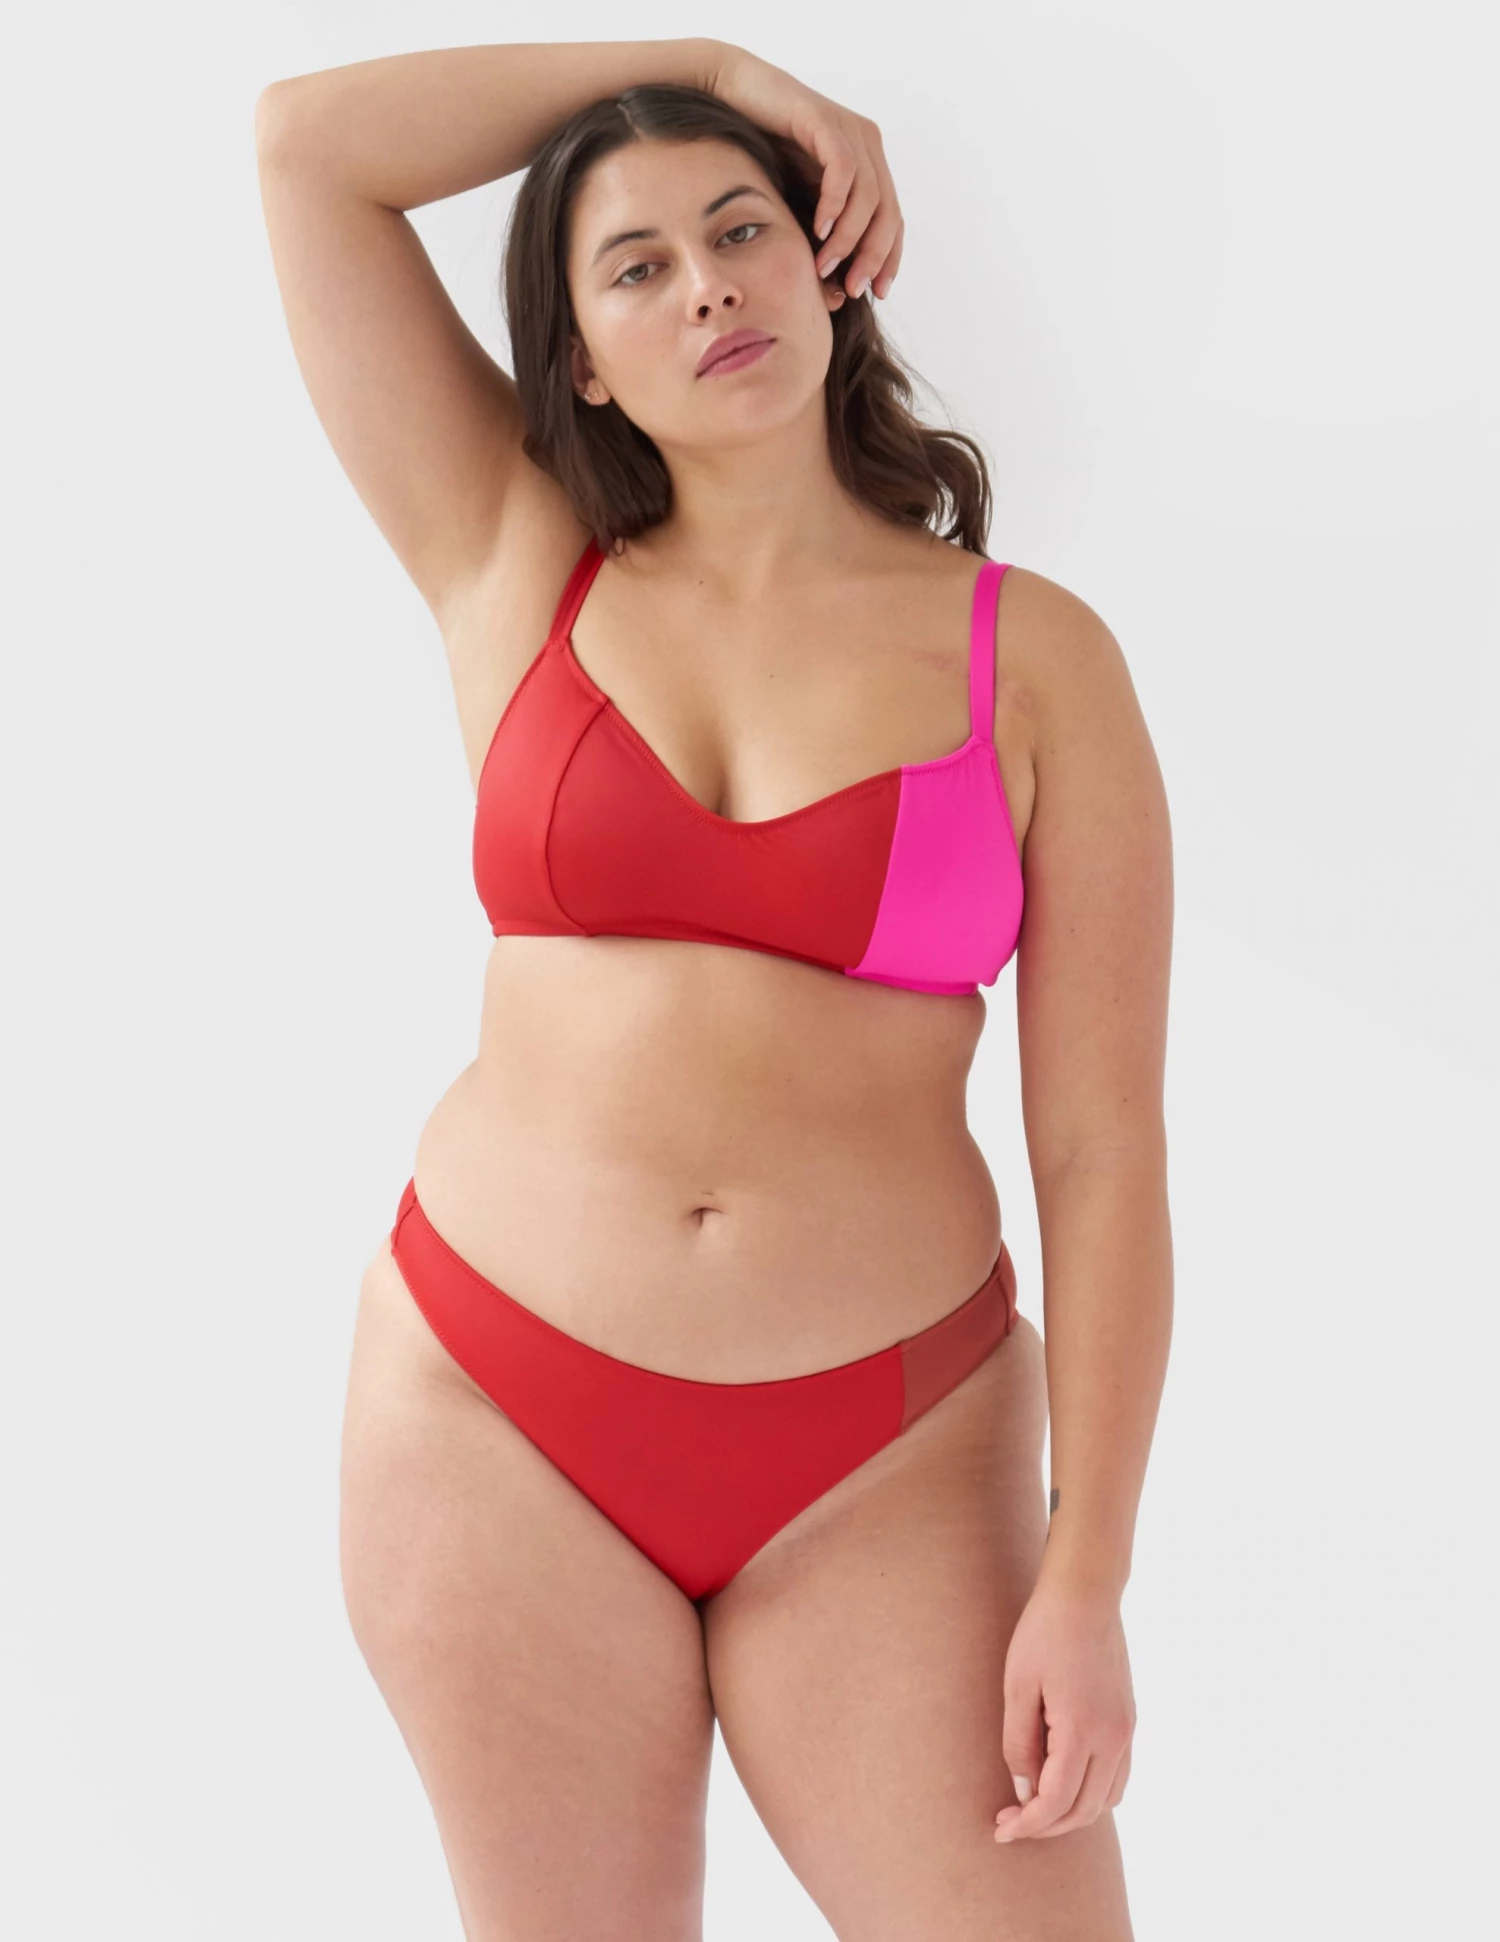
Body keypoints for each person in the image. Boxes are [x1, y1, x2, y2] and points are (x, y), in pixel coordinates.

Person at [255, 35, 1173, 1940]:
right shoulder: (514, 556)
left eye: (743, 226)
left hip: (888, 1454)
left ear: (830, 262)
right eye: (639, 264)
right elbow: (307, 148)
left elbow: (1102, 1151)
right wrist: (703, 61)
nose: (708, 287)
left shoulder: (1037, 661)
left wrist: (1088, 1570)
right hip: (494, 1410)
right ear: (582, 357)